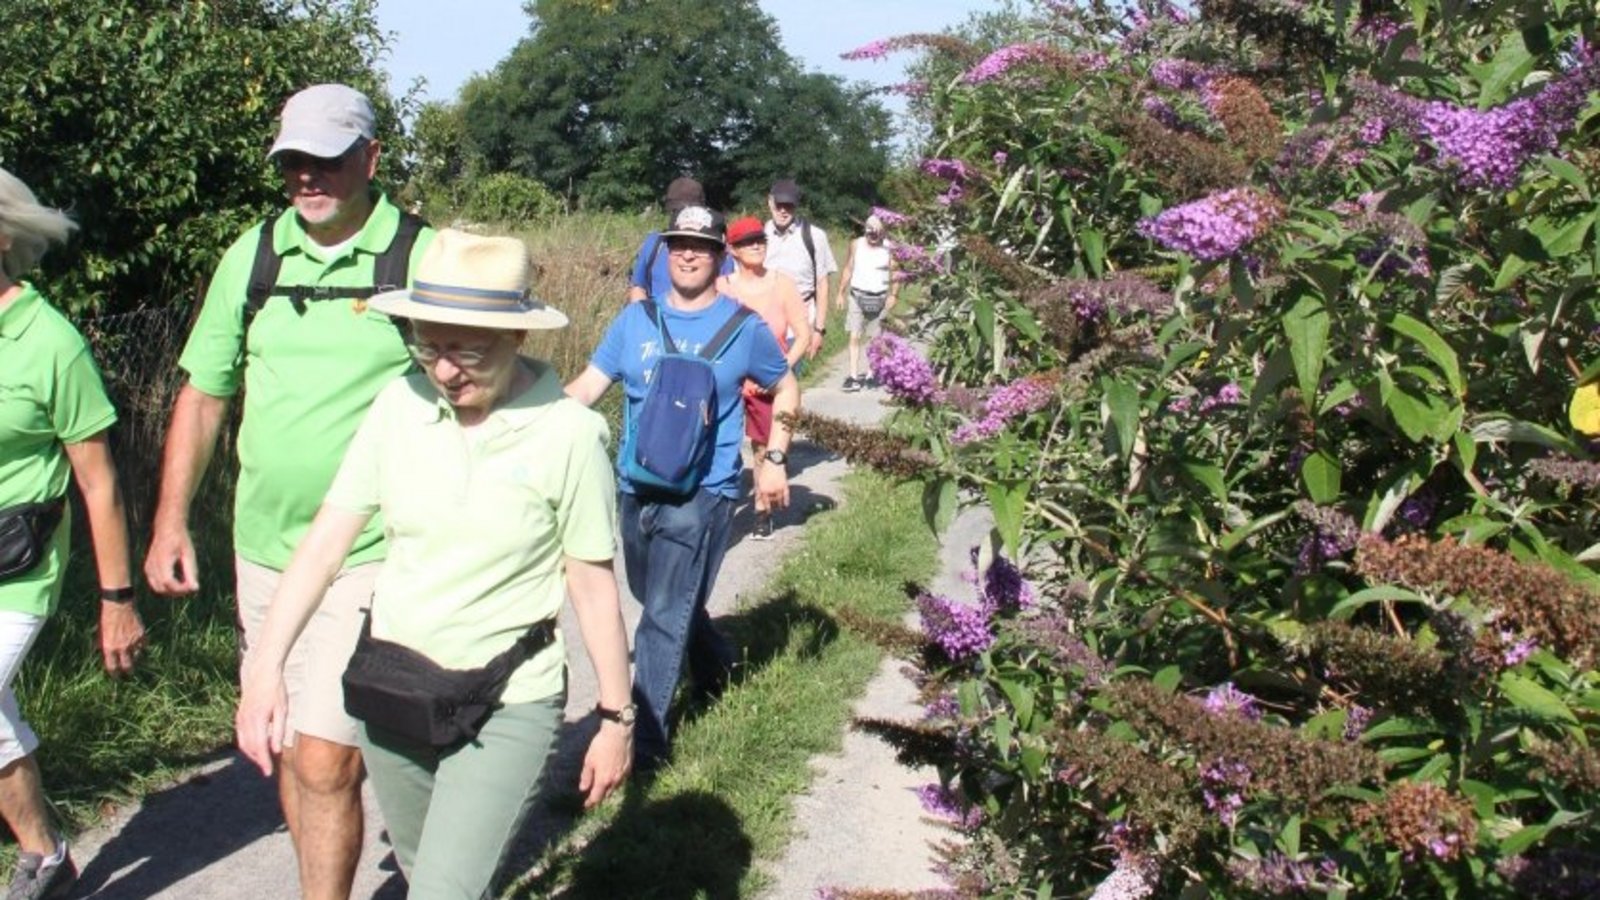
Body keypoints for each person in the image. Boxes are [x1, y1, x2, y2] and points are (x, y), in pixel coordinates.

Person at [237, 229, 631, 899]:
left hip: (507, 699)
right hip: (394, 690)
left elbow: (592, 588)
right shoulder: (399, 405)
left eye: (467, 351)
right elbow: (328, 541)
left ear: (517, 338)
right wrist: (264, 669)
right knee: (435, 879)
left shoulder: (568, 434)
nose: (445, 372)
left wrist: (616, 721)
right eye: (428, 345)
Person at [143, 84, 435, 900]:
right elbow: (203, 396)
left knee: (323, 753)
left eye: (327, 161)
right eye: (293, 163)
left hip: (372, 549)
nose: (307, 177)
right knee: (282, 736)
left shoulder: (420, 257)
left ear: (371, 159)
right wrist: (171, 521)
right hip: (264, 550)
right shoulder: (254, 255)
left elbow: (478, 387)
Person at [566, 205, 799, 769]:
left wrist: (773, 459)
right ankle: (717, 667)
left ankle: (643, 744)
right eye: (677, 244)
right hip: (635, 488)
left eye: (699, 244)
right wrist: (520, 426)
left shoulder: (744, 329)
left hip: (706, 494)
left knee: (663, 616)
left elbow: (786, 387)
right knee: (657, 597)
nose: (687, 253)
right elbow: (587, 389)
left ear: (719, 255)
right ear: (664, 252)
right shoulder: (635, 322)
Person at [0, 166, 146, 899]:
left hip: (15, 566)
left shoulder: (49, 341)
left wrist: (116, 598)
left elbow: (99, 480)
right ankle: (46, 856)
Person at [722, 216, 811, 540]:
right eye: (746, 241)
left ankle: (761, 511)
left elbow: (802, 335)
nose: (755, 245)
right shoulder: (721, 289)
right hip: (729, 384)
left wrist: (779, 370)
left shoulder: (782, 283)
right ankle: (716, 509)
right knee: (721, 448)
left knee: (762, 449)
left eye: (760, 239)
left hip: (767, 385)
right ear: (732, 249)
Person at [762, 179, 838, 360]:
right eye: (779, 204)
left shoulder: (815, 236)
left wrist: (819, 329)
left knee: (790, 379)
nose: (783, 210)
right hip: (765, 318)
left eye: (789, 205)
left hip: (800, 320)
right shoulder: (760, 234)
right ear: (770, 202)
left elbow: (822, 284)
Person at [835, 214, 900, 391]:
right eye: (869, 230)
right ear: (865, 229)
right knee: (854, 336)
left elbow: (895, 273)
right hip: (857, 296)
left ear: (883, 231)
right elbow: (848, 268)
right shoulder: (856, 244)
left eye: (876, 231)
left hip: (879, 298)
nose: (872, 235)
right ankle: (853, 376)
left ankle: (871, 374)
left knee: (875, 339)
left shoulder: (889, 248)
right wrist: (840, 292)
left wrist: (894, 295)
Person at [626, 176, 706, 303]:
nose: (682, 216)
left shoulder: (715, 248)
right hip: (656, 316)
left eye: (689, 212)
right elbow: (638, 287)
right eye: (676, 211)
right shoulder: (655, 242)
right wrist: (644, 318)